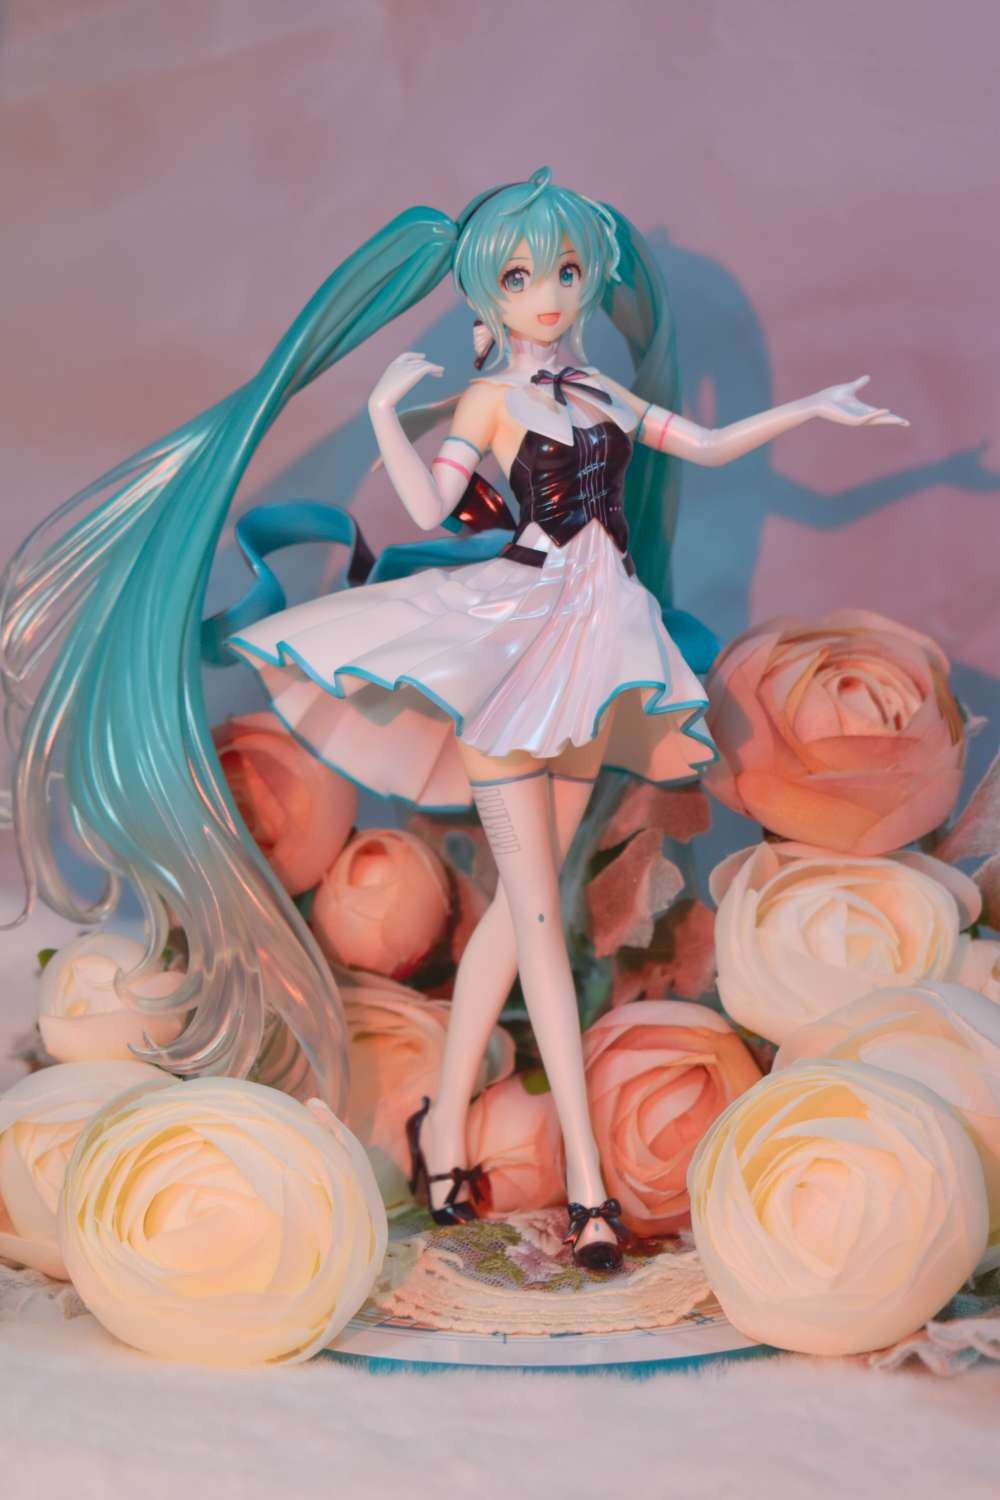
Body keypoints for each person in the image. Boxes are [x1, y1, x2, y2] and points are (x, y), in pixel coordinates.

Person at [0, 167, 905, 1270]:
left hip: (601, 647)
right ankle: (589, 1188)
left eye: (564, 271)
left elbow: (705, 444)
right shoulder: (489, 404)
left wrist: (813, 408)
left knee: (521, 917)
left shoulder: (599, 392)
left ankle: (439, 1136)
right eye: (521, 277)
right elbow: (430, 505)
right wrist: (386, 412)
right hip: (512, 651)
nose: (548, 295)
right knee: (538, 924)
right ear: (486, 291)